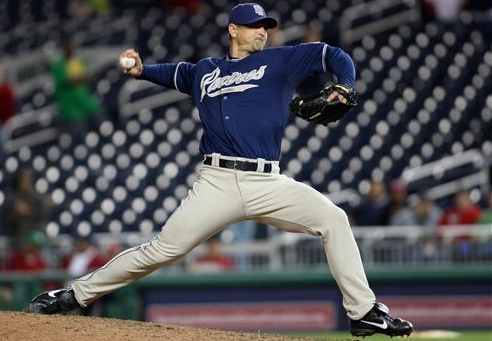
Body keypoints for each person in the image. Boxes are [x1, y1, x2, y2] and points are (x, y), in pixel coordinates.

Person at [28, 3, 412, 337]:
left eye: (266, 27)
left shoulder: (281, 60)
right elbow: (175, 73)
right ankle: (73, 295)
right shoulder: (206, 71)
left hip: (268, 181)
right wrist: (143, 70)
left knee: (334, 218)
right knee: (161, 250)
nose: (263, 31)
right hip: (216, 182)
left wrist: (345, 84)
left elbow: (333, 55)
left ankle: (364, 313)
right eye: (255, 25)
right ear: (234, 29)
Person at [51, 39, 101, 138]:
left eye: (72, 46)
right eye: (67, 47)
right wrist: (84, 78)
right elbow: (69, 82)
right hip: (72, 110)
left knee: (100, 131)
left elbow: (89, 79)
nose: (70, 49)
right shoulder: (58, 66)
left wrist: (84, 78)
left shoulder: (79, 62)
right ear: (63, 49)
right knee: (79, 138)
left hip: (88, 104)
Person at [0, 167, 54, 250]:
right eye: (23, 180)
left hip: (36, 236)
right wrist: (16, 212)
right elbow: (6, 219)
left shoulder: (38, 197)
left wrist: (29, 210)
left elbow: (42, 212)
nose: (25, 183)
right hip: (19, 238)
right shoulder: (12, 198)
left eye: (27, 180)